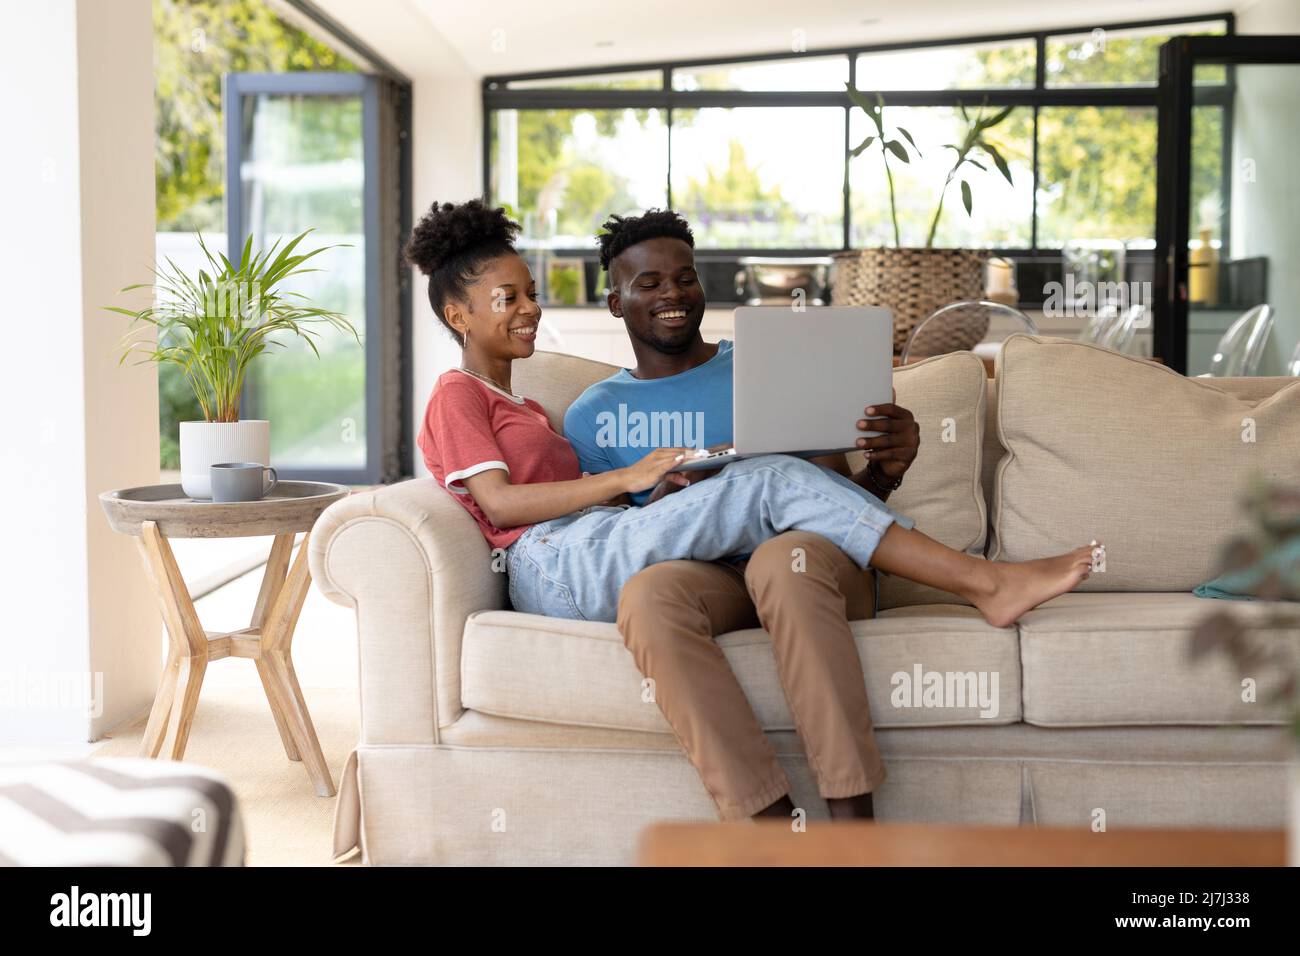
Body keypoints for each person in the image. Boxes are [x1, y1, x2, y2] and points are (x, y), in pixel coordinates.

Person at [407, 198, 1098, 823]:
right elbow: (518, 505)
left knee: (782, 542)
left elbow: (832, 497)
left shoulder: (754, 367)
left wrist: (887, 468)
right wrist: (643, 486)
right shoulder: (579, 413)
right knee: (655, 589)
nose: (672, 294)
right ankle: (768, 826)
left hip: (792, 558)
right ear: (614, 302)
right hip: (642, 561)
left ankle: (852, 823)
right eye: (647, 283)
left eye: (685, 277)